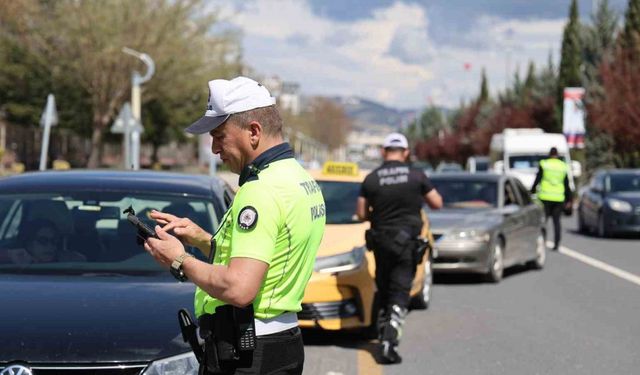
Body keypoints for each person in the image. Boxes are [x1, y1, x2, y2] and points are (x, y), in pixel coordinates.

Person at [144, 76, 325, 375]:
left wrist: (178, 259)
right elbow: (272, 254)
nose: (214, 148)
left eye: (219, 136)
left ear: (254, 131)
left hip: (247, 352)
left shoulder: (261, 190)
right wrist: (202, 239)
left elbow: (240, 288)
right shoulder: (299, 179)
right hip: (280, 343)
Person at [356, 132, 443, 364]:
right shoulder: (417, 176)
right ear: (405, 153)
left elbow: (362, 213)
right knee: (400, 291)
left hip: (381, 244)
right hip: (406, 244)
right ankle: (389, 342)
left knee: (384, 289)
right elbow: (437, 203)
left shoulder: (372, 179)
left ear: (384, 152)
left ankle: (383, 331)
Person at [530, 147, 573, 250]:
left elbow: (538, 179)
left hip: (545, 197)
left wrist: (532, 191)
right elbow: (567, 184)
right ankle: (557, 243)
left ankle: (542, 242)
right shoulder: (562, 166)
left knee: (544, 221)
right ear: (557, 155)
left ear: (549, 154)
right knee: (557, 222)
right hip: (558, 198)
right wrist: (569, 199)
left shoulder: (544, 164)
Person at [6, 218, 85, 264]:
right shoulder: (10, 264)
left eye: (54, 241)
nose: (50, 246)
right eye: (43, 241)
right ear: (28, 243)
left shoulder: (71, 264)